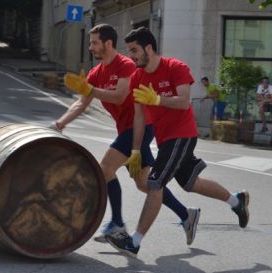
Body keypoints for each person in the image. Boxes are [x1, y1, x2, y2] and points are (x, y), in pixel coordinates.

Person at [105, 27, 250, 257]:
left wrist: (157, 98)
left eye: (134, 50)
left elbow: (183, 102)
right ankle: (237, 201)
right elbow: (139, 116)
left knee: (154, 183)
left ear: (148, 48)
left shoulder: (176, 67)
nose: (131, 56)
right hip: (165, 139)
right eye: (129, 51)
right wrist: (135, 151)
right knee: (192, 183)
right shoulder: (137, 78)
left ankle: (134, 242)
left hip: (182, 134)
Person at [54, 24, 199, 245]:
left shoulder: (126, 65)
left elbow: (120, 96)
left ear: (107, 43)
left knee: (105, 167)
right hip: (127, 130)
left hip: (140, 127)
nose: (90, 47)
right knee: (145, 184)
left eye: (94, 42)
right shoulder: (96, 73)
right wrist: (59, 124)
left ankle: (117, 223)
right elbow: (82, 103)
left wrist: (90, 90)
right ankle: (186, 215)